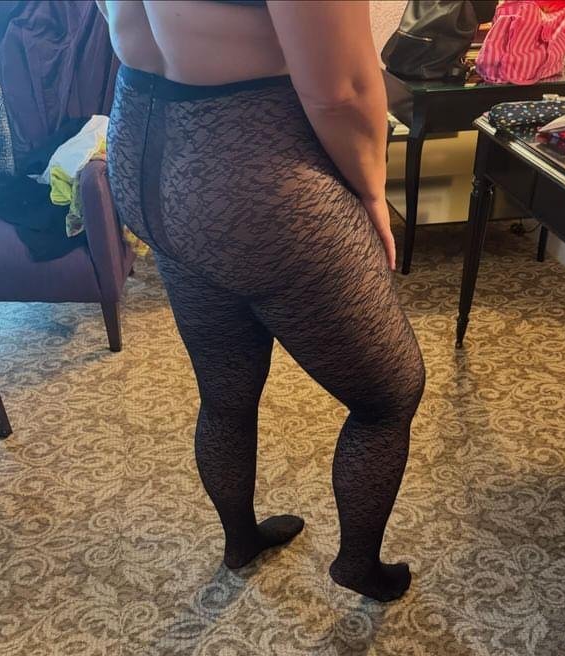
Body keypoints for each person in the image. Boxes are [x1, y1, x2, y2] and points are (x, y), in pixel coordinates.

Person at [96, 0, 425, 602]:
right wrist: (374, 194)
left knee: (225, 389)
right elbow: (342, 92)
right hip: (248, 166)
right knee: (389, 396)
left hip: (142, 152)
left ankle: (240, 539)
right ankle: (359, 565)